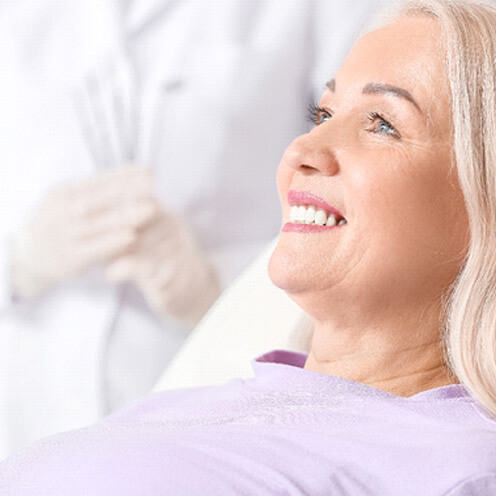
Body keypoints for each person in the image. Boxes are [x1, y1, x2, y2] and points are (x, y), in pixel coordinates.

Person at [4, 0, 496, 493]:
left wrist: (208, 284)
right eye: (321, 114)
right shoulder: (182, 410)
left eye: (382, 123)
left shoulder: (456, 468)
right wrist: (19, 260)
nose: (300, 149)